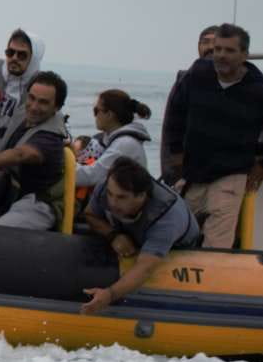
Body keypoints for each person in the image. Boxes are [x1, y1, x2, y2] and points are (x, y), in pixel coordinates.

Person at [162, 23, 263, 248]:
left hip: (231, 174)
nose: (221, 55)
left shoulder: (258, 89)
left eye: (229, 50)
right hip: (193, 170)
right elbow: (176, 116)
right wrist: (176, 155)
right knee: (177, 231)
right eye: (218, 49)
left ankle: (213, 274)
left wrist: (260, 163)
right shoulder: (197, 73)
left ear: (244, 55)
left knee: (217, 240)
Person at [81, 157, 201, 314]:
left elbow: (145, 267)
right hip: (128, 233)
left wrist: (109, 295)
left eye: (122, 197)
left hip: (179, 247)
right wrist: (113, 235)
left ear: (142, 196)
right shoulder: (108, 187)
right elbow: (90, 215)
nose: (113, 202)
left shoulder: (167, 218)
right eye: (111, 194)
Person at [0, 71, 70, 230]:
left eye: (43, 102)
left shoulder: (51, 137)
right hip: (8, 192)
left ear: (57, 107)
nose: (34, 107)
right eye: (32, 98)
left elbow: (23, 153)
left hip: (37, 202)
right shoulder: (22, 112)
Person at [159, 25, 219, 184]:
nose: (210, 47)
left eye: (216, 42)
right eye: (205, 42)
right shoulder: (184, 81)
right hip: (186, 172)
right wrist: (171, 172)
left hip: (226, 173)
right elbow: (171, 128)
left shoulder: (241, 83)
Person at [74, 90, 152, 202]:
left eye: (96, 111)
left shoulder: (124, 144)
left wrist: (60, 163)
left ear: (109, 115)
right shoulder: (118, 140)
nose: (95, 116)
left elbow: (91, 176)